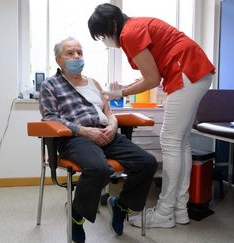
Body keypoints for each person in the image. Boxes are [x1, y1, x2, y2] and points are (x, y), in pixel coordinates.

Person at [88, 3, 215, 228]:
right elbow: (151, 74)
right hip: (194, 71)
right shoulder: (135, 25)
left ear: (113, 25)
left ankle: (164, 213)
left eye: (103, 34)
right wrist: (126, 87)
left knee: (170, 141)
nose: (105, 41)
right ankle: (179, 210)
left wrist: (121, 92)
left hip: (185, 71)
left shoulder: (129, 33)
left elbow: (152, 80)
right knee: (181, 143)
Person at [39, 37, 158, 243]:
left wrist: (113, 125)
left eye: (79, 52)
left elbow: (108, 111)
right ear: (58, 60)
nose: (76, 56)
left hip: (106, 133)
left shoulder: (93, 82)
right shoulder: (51, 85)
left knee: (147, 162)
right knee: (100, 169)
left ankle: (120, 206)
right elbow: (50, 118)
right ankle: (76, 216)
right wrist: (84, 131)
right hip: (75, 138)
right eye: (70, 53)